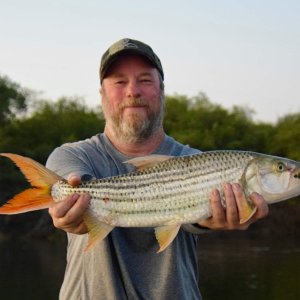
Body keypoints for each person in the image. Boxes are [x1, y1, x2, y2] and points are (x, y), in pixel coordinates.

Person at [47, 38, 269, 300]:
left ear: (161, 90)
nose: (133, 91)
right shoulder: (72, 154)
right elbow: (68, 185)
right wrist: (74, 213)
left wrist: (207, 220)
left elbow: (195, 223)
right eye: (119, 81)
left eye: (145, 80)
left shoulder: (197, 160)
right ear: (102, 95)